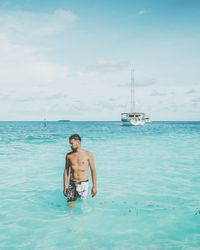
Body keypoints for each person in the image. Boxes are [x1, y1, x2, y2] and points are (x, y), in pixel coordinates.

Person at [63, 134, 97, 206]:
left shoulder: (88, 154)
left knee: (82, 205)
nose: (70, 145)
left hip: (83, 184)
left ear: (78, 142)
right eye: (70, 143)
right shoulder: (69, 156)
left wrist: (94, 186)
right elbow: (66, 171)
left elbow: (93, 171)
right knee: (70, 205)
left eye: (72, 143)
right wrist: (64, 187)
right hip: (72, 184)